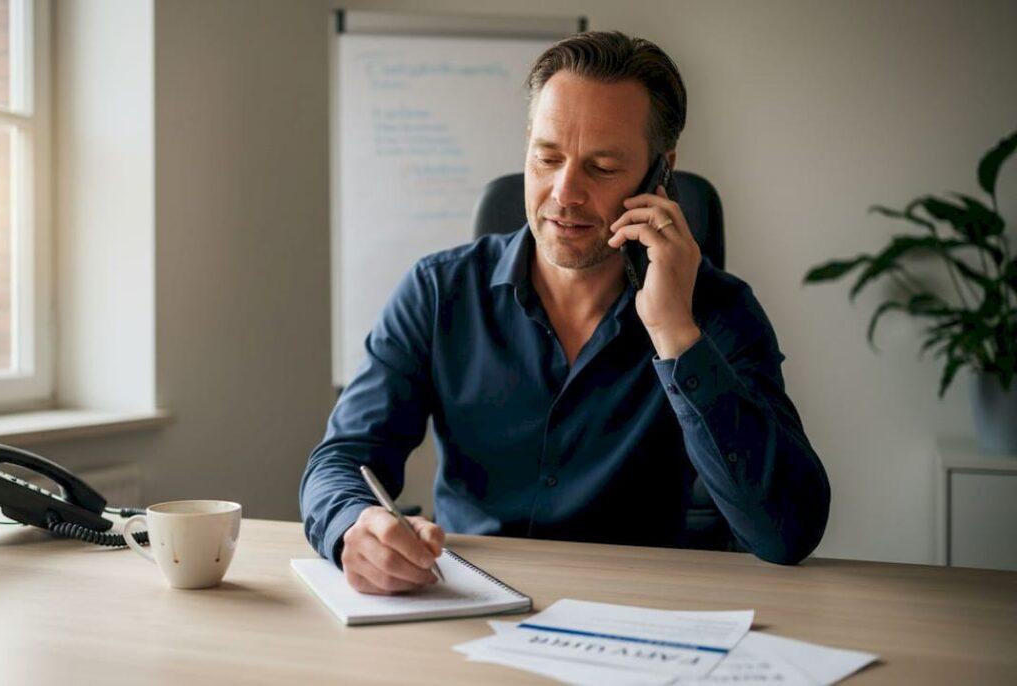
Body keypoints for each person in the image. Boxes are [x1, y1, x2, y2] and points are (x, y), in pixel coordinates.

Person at [301, 31, 831, 595]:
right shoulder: (438, 292)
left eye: (602, 167)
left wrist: (675, 333)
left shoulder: (717, 312)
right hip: (468, 601)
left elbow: (787, 532)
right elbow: (341, 460)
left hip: (640, 616)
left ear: (660, 172)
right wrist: (354, 528)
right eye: (547, 157)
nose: (565, 192)